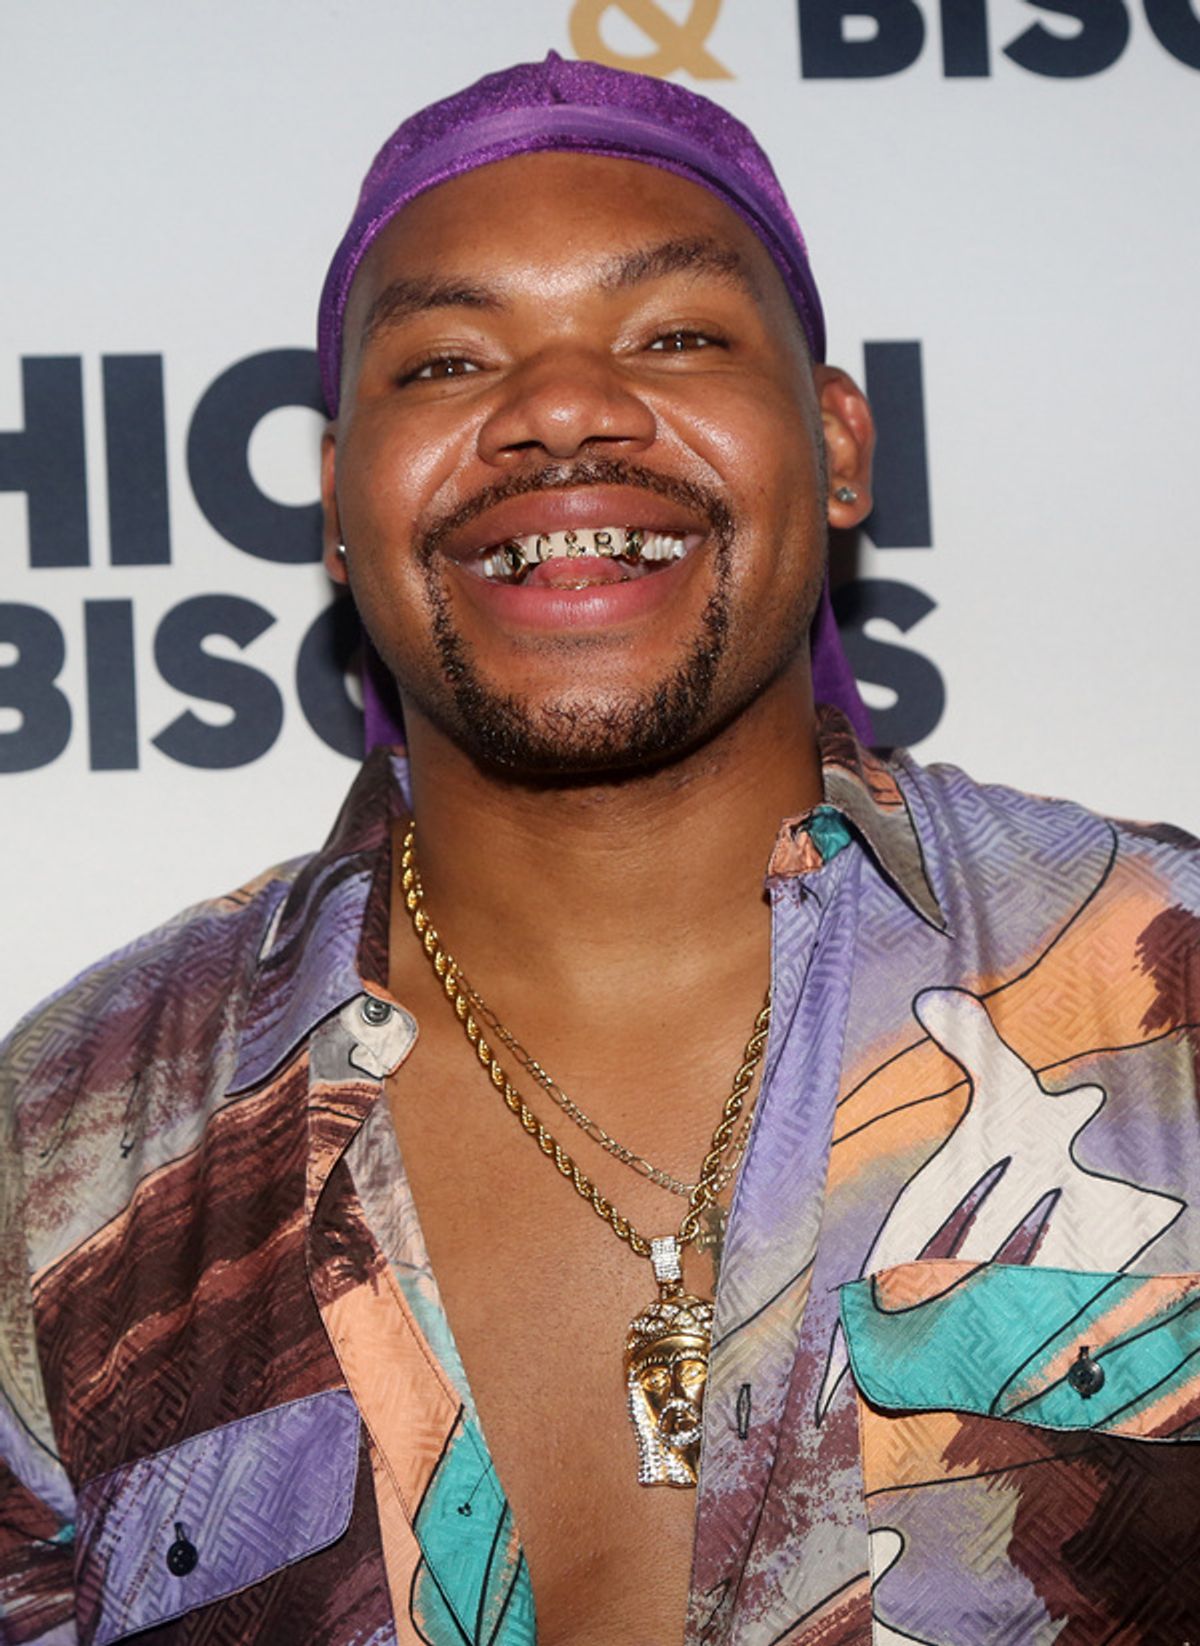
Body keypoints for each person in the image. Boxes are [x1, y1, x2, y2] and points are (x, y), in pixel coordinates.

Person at [2, 52, 1197, 1646]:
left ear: (840, 442)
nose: (561, 406)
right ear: (338, 505)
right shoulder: (70, 1143)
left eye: (676, 336)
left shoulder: (1168, 1001)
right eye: (445, 360)